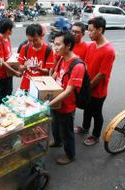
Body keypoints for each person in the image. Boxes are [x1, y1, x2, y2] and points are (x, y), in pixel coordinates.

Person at [49, 31, 85, 165]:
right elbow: (55, 76)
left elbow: (69, 91)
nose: (55, 47)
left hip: (66, 106)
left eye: (58, 45)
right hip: (55, 102)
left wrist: (49, 103)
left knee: (67, 132)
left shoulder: (77, 65)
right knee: (54, 124)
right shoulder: (61, 58)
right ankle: (57, 141)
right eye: (54, 44)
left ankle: (70, 155)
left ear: (68, 45)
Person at [80, 16, 115, 146]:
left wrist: (87, 87)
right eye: (88, 30)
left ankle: (95, 135)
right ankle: (84, 128)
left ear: (100, 30)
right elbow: (86, 64)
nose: (89, 34)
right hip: (88, 86)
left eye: (91, 31)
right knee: (87, 109)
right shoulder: (91, 46)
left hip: (98, 90)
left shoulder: (108, 50)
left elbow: (101, 75)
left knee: (96, 112)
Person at [17, 24, 54, 91]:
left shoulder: (48, 50)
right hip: (26, 85)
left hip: (41, 86)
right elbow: (19, 68)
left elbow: (48, 72)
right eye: (30, 40)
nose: (32, 43)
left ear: (41, 36)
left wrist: (39, 69)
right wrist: (25, 66)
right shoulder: (25, 48)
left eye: (35, 40)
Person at [0, 18, 21, 104]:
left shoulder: (7, 38)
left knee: (9, 91)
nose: (12, 30)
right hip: (2, 74)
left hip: (9, 72)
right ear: (7, 30)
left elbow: (9, 55)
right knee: (3, 94)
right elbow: (1, 62)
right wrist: (15, 71)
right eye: (11, 28)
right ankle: (2, 110)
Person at [70, 22, 89, 134]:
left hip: (77, 82)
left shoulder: (86, 47)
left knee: (72, 105)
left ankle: (69, 131)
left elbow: (86, 66)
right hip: (65, 79)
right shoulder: (68, 44)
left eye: (77, 32)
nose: (74, 34)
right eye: (72, 31)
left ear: (83, 34)